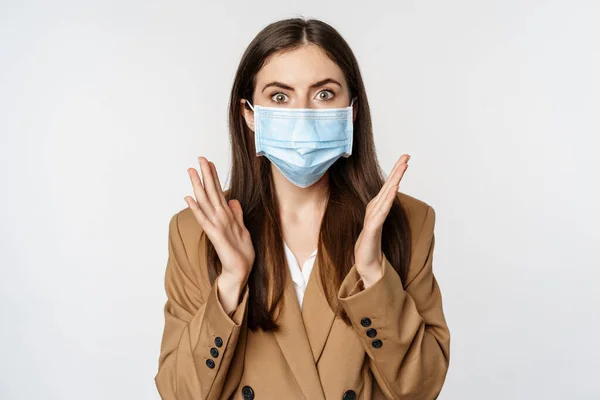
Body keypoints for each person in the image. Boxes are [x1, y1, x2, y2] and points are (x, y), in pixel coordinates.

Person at [155, 17, 450, 400]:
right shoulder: (196, 232)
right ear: (249, 113)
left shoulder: (408, 221)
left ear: (353, 108)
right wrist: (230, 282)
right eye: (280, 96)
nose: (303, 116)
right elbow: (180, 394)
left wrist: (375, 275)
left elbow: (422, 389)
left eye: (324, 94)